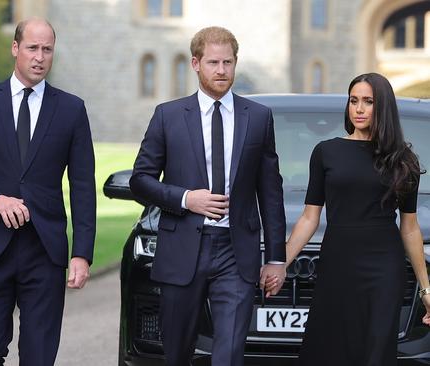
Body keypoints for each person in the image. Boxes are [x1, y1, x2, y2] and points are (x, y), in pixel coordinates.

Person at [0, 17, 96, 366]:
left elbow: (83, 186)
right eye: (32, 48)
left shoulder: (71, 109)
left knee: (39, 356)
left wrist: (82, 253)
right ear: (15, 49)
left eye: (47, 49)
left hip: (45, 249)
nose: (39, 57)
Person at [129, 26, 286, 366]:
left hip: (236, 252)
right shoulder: (167, 116)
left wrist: (276, 258)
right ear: (196, 64)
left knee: (229, 354)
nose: (221, 71)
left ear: (235, 63)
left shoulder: (258, 118)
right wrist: (187, 199)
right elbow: (140, 180)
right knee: (177, 353)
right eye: (213, 62)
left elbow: (270, 192)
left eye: (228, 63)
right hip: (183, 248)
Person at [265, 72, 430, 365]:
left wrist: (426, 288)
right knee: (329, 348)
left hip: (384, 268)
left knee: (375, 351)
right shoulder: (326, 153)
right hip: (337, 264)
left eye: (368, 102)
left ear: (383, 108)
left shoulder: (403, 160)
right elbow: (309, 218)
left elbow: (410, 228)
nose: (359, 108)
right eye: (354, 101)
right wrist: (281, 263)